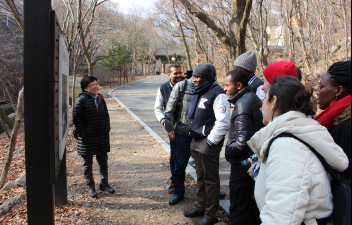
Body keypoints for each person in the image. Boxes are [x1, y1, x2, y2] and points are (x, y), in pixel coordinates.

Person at [247, 76, 349, 225]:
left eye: (265, 100)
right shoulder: (305, 132)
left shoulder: (287, 146)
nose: (262, 106)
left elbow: (281, 218)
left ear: (274, 102)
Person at [184, 63, 231, 225]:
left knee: (210, 180)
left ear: (207, 78)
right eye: (194, 76)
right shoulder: (199, 91)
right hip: (196, 140)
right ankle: (200, 207)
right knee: (201, 177)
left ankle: (211, 215)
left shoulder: (218, 93)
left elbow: (223, 121)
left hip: (208, 142)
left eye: (197, 77)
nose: (194, 79)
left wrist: (210, 142)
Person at [224, 68, 263, 225]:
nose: (224, 89)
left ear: (239, 85)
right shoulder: (253, 97)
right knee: (250, 206)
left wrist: (228, 151)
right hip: (252, 161)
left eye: (227, 85)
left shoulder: (242, 105)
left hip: (242, 165)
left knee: (239, 207)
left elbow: (242, 141)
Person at [72, 75, 115, 198]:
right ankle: (91, 187)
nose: (95, 86)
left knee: (103, 162)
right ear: (85, 88)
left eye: (96, 84)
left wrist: (107, 127)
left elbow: (106, 115)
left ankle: (104, 184)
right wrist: (82, 132)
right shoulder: (81, 100)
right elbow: (76, 117)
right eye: (92, 85)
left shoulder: (101, 99)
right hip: (87, 137)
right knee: (87, 163)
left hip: (101, 136)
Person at [316, 60, 351, 179]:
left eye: (321, 87)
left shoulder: (347, 126)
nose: (318, 92)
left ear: (339, 90)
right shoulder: (335, 120)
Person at [164, 75, 195, 206]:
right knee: (179, 164)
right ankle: (178, 192)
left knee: (206, 165)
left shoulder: (210, 87)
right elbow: (169, 109)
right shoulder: (182, 86)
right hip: (183, 132)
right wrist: (170, 128)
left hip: (201, 133)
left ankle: (211, 191)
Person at [154, 64, 183, 194]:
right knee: (175, 156)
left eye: (179, 73)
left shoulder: (187, 85)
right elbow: (158, 108)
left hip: (190, 127)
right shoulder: (163, 88)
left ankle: (206, 186)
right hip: (174, 129)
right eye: (175, 73)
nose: (178, 75)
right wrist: (166, 123)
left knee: (197, 157)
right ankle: (175, 182)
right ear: (169, 75)